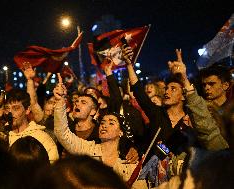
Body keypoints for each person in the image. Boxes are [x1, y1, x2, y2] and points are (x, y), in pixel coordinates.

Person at [53, 74, 147, 188]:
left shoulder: (129, 162)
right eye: (102, 123)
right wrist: (59, 100)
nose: (104, 126)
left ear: (121, 132)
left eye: (111, 123)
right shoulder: (87, 149)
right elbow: (62, 133)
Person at [122, 46, 196, 186]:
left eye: (173, 89)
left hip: (181, 180)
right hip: (151, 180)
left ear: (184, 96)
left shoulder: (190, 119)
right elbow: (139, 91)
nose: (167, 91)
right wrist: (128, 64)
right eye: (166, 88)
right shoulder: (157, 113)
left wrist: (182, 75)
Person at [5, 88, 59, 163]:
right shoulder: (3, 135)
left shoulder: (43, 138)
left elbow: (52, 168)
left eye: (16, 108)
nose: (10, 113)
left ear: (27, 110)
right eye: (7, 108)